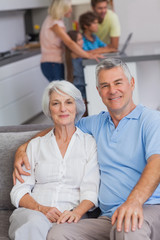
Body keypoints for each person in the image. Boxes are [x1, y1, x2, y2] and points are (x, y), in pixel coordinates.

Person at [13, 58, 160, 240]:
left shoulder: (151, 120)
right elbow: (61, 124)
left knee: (126, 228)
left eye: (118, 83)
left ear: (131, 83)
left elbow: (157, 163)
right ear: (98, 91)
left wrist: (133, 202)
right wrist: (22, 148)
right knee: (58, 234)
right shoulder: (95, 123)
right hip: (107, 217)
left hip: (146, 207)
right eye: (105, 85)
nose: (112, 90)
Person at [9, 80, 99, 240]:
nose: (63, 108)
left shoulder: (89, 143)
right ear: (49, 109)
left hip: (71, 216)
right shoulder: (36, 145)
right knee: (35, 224)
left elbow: (91, 190)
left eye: (68, 102)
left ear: (77, 106)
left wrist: (76, 213)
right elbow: (19, 190)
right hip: (32, 214)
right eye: (56, 103)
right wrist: (41, 209)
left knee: (61, 233)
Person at [40, 0, 101, 82]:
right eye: (69, 7)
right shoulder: (54, 23)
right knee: (59, 91)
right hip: (52, 63)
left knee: (59, 89)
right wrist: (88, 55)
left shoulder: (54, 20)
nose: (71, 10)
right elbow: (69, 42)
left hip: (52, 63)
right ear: (62, 8)